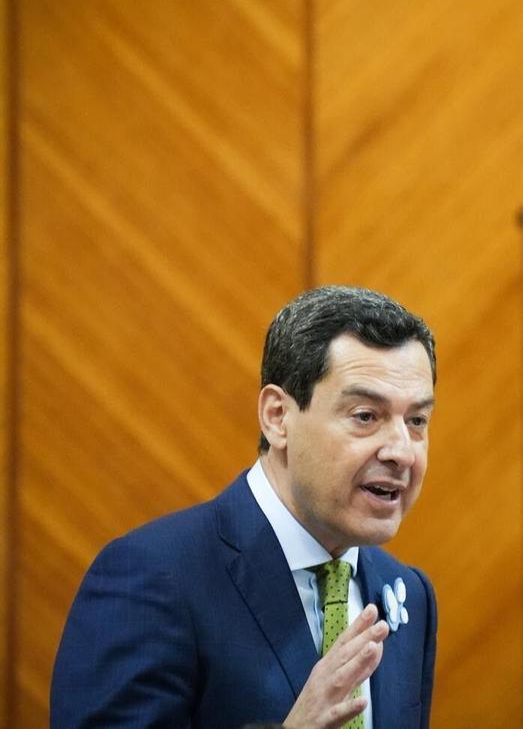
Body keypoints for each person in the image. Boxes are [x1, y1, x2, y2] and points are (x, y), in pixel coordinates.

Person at [50, 286, 438, 729]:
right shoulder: (152, 577)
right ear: (277, 417)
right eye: (366, 416)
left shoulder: (408, 593)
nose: (401, 452)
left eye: (416, 421)